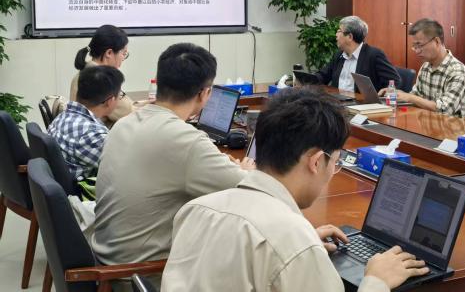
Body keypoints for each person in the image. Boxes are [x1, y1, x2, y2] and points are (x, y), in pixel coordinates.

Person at [161, 87, 428, 291]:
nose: (332, 172)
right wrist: (376, 281)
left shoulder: (196, 209)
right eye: (335, 163)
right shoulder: (293, 242)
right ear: (316, 161)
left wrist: (300, 245)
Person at [92, 43, 255, 272]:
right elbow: (249, 190)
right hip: (141, 275)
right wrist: (246, 171)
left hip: (108, 258)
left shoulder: (124, 123)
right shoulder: (186, 140)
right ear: (204, 94)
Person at [379, 18, 465, 120]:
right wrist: (395, 94)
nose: (417, 51)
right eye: (414, 46)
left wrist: (410, 98)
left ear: (437, 41)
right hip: (430, 124)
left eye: (419, 45)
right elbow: (415, 96)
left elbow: (445, 109)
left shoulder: (457, 71)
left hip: (454, 128)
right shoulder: (425, 67)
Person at [47, 65, 124, 181]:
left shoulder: (62, 117)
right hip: (81, 191)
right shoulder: (93, 135)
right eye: (120, 95)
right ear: (110, 101)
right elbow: (123, 170)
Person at [316, 15, 400, 92]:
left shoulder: (374, 55)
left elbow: (394, 81)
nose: (336, 35)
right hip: (336, 100)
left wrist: (384, 93)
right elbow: (323, 76)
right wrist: (309, 78)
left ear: (350, 37)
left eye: (339, 31)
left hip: (361, 102)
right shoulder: (339, 55)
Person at [70, 24, 133, 127]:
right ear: (109, 53)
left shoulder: (86, 72)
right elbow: (128, 111)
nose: (123, 58)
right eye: (124, 53)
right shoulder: (100, 80)